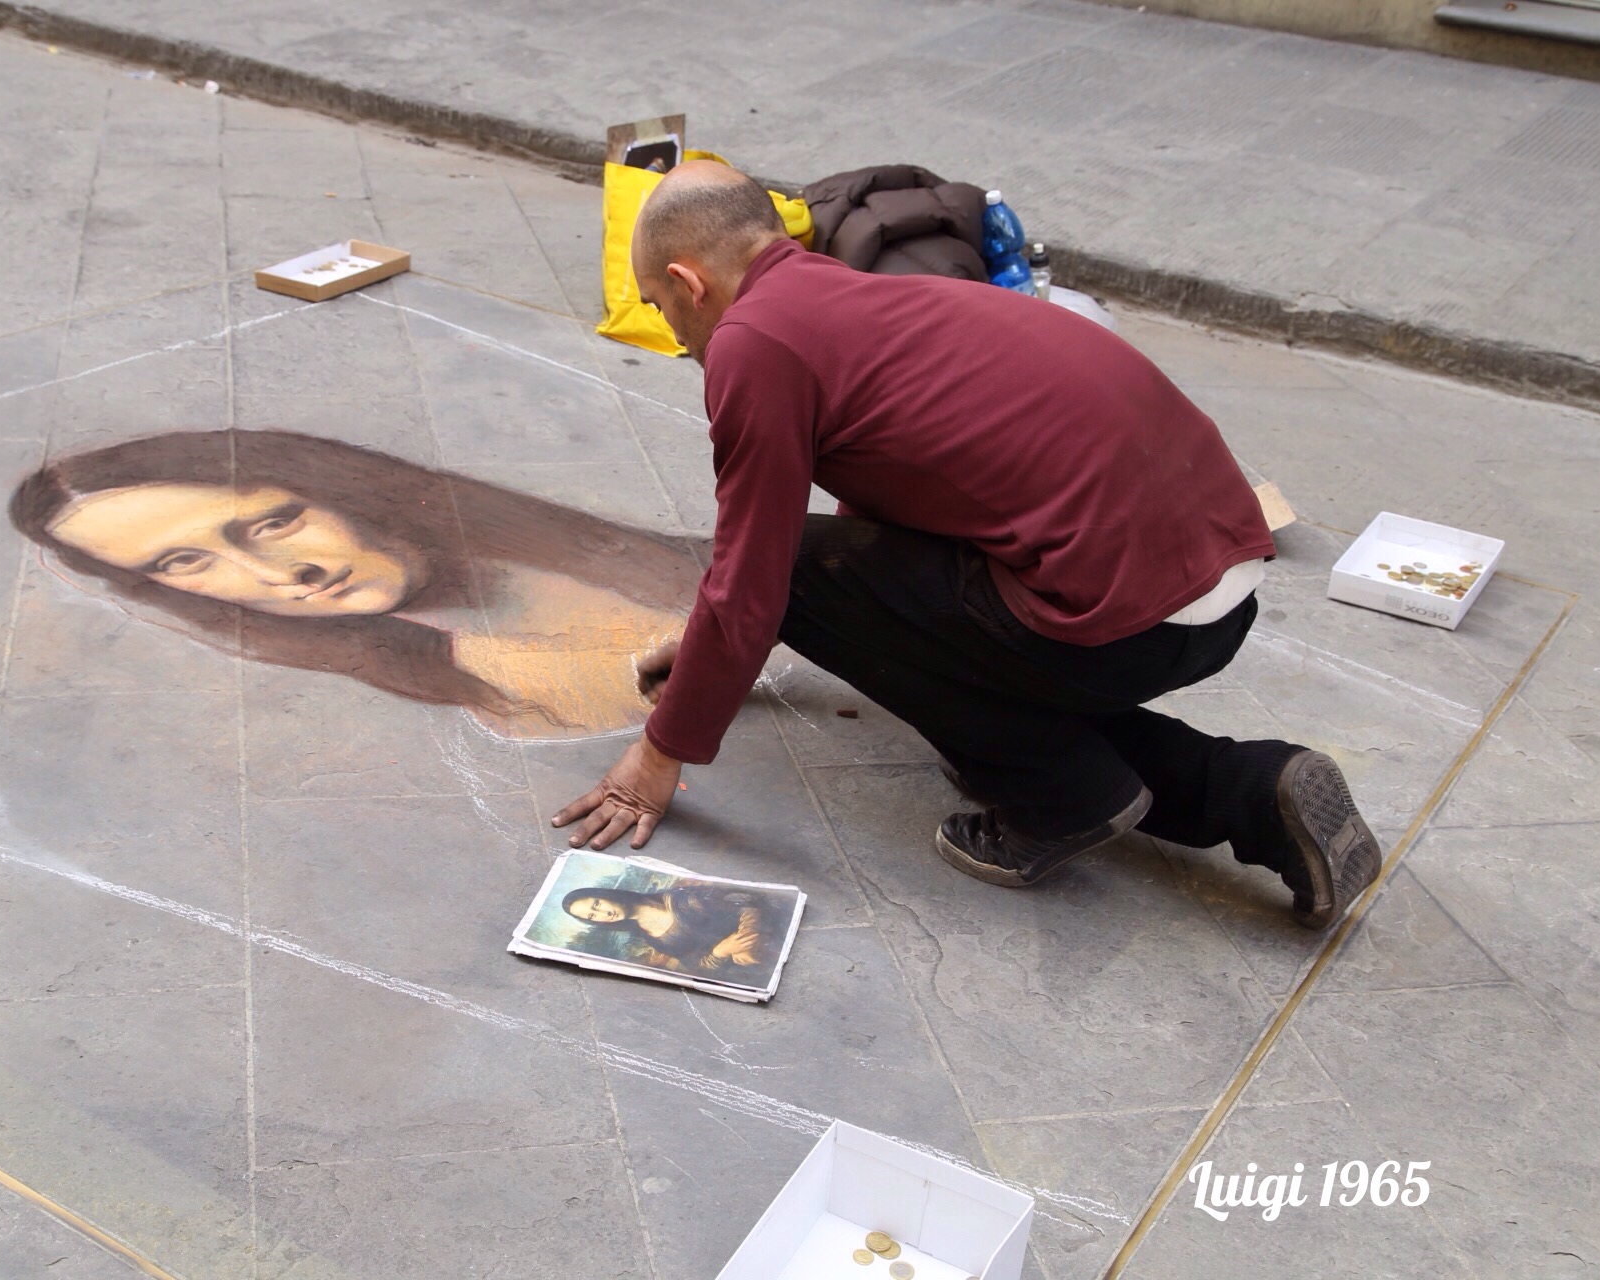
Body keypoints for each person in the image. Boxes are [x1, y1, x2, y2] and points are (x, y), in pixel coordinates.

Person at [551, 162, 1381, 929]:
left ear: (689, 282)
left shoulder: (753, 341)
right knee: (875, 611)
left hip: (1131, 623)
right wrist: (717, 654)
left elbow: (755, 575)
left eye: (660, 309)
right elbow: (884, 518)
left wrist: (660, 754)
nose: (674, 334)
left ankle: (1062, 797)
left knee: (803, 574)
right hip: (1218, 581)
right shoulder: (848, 294)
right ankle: (1256, 793)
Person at [10, 430, 699, 740]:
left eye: (274, 522)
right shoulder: (487, 692)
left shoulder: (686, 569)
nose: (278, 574)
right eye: (182, 563)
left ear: (344, 492)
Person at [562, 883, 776, 974]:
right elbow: (698, 965)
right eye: (592, 916)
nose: (604, 914)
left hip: (769, 933)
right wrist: (722, 951)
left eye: (597, 904)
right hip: (745, 965)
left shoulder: (679, 898)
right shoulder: (650, 938)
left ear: (606, 895)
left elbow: (744, 901)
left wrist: (746, 939)